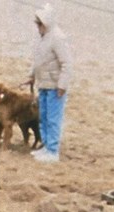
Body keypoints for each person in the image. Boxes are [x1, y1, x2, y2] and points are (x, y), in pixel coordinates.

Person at [27, 3, 72, 163]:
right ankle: (45, 146)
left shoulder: (58, 38)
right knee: (43, 117)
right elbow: (38, 60)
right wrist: (31, 76)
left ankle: (53, 151)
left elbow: (66, 64)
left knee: (53, 119)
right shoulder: (43, 38)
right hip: (43, 84)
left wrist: (62, 85)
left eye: (39, 23)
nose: (37, 26)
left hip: (54, 86)